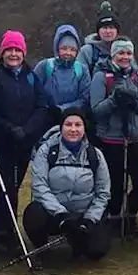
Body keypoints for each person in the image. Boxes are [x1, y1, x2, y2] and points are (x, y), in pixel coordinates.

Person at [0, 30, 49, 257]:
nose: (13, 54)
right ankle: (1, 236)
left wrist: (28, 130)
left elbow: (42, 106)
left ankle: (9, 233)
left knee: (14, 188)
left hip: (23, 143)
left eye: (17, 50)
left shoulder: (31, 76)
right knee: (6, 187)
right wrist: (8, 129)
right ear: (2, 53)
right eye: (9, 49)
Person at [23, 109, 112, 267]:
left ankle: (79, 244)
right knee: (33, 214)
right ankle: (42, 248)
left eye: (78, 125)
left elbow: (103, 192)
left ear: (84, 128)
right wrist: (61, 214)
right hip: (54, 214)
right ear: (61, 127)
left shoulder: (95, 154)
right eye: (68, 124)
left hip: (83, 213)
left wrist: (90, 219)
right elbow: (39, 186)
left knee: (97, 250)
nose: (73, 129)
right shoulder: (46, 151)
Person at [89, 37, 138, 238]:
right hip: (111, 139)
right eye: (121, 53)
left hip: (135, 137)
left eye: (128, 53)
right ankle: (114, 220)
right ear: (113, 55)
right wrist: (114, 100)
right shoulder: (101, 76)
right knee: (114, 185)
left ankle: (130, 216)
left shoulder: (136, 76)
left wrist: (133, 101)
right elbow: (96, 110)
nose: (125, 57)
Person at [35, 24, 92, 123]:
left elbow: (84, 98)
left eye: (72, 50)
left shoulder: (81, 70)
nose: (68, 53)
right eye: (64, 48)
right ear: (57, 48)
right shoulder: (45, 66)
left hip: (72, 120)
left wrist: (62, 109)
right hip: (45, 119)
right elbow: (34, 91)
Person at [78, 0, 126, 73]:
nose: (108, 31)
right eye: (104, 28)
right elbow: (80, 78)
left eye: (111, 27)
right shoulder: (87, 52)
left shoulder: (125, 49)